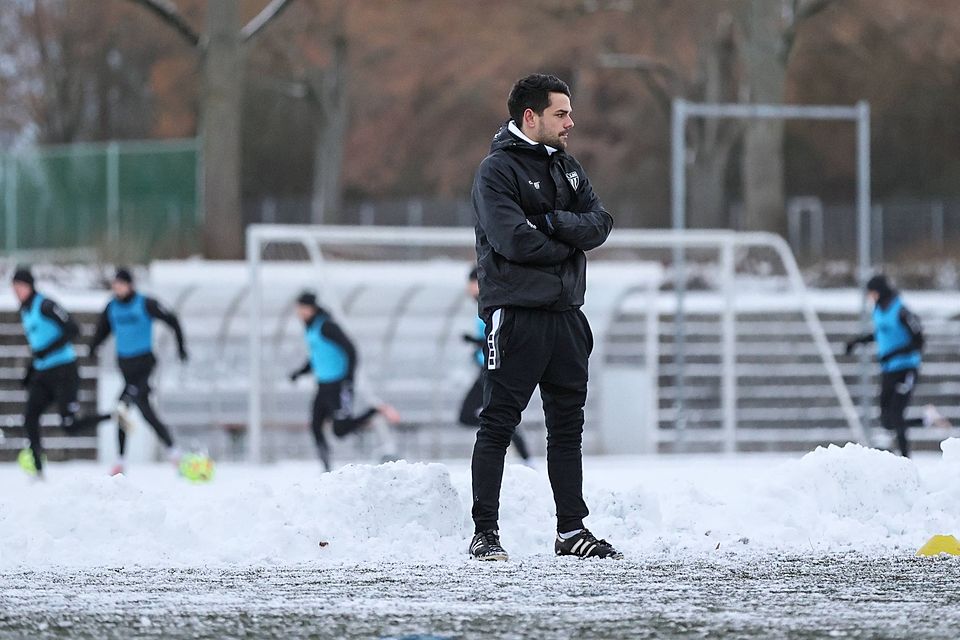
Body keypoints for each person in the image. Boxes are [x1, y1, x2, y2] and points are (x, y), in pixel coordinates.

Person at [468, 74, 619, 561]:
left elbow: (601, 224)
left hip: (567, 316)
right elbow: (514, 241)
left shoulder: (567, 167)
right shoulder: (496, 172)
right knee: (498, 424)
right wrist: (569, 243)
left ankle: (571, 531)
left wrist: (552, 223)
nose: (571, 122)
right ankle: (485, 533)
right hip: (516, 317)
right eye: (561, 113)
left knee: (567, 428)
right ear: (530, 117)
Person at [12, 268, 110, 479]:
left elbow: (73, 329)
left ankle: (111, 416)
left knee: (69, 425)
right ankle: (38, 469)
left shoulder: (46, 305)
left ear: (30, 286)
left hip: (64, 371)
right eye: (14, 287)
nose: (17, 291)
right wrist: (30, 371)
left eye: (20, 286)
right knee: (29, 418)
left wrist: (47, 351)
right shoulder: (25, 310)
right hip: (43, 374)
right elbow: (37, 346)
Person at [89, 268, 187, 476]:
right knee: (145, 411)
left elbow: (172, 320)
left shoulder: (145, 303)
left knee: (121, 408)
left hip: (144, 365)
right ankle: (173, 450)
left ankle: (121, 461)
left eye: (121, 284)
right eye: (115, 284)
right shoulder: (112, 307)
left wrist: (181, 348)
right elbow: (102, 330)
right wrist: (92, 347)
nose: (117, 288)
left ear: (130, 285)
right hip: (126, 367)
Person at [289, 292, 400, 472]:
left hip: (339, 385)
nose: (299, 312)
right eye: (298, 308)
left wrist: (348, 378)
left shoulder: (327, 326)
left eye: (302, 308)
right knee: (315, 426)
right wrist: (299, 372)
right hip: (322, 386)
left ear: (311, 308)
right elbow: (317, 357)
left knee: (340, 430)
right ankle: (326, 467)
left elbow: (351, 349)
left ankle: (376, 410)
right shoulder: (310, 329)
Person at [844, 274, 946, 457]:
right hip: (888, 370)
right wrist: (857, 342)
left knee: (897, 415)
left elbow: (919, 341)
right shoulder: (878, 310)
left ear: (880, 291)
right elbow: (881, 334)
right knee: (887, 420)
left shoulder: (901, 311)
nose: (870, 297)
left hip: (906, 369)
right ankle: (926, 420)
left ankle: (906, 459)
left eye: (872, 292)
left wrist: (895, 353)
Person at [459, 268, 533, 465]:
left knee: (489, 414)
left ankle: (523, 456)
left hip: (494, 369)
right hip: (484, 368)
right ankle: (509, 437)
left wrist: (477, 342)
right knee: (472, 415)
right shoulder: (482, 307)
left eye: (471, 284)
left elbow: (499, 337)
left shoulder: (494, 305)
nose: (469, 289)